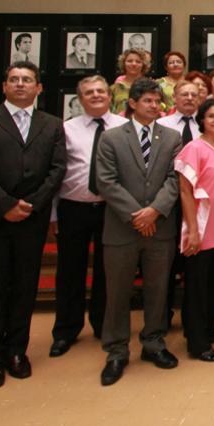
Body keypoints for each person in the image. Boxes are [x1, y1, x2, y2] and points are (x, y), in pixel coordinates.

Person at [0, 61, 67, 388]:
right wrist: (6, 205)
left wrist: (31, 205)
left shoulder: (51, 125)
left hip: (30, 222)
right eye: (14, 79)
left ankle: (17, 351)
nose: (20, 84)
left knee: (24, 289)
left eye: (27, 80)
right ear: (4, 86)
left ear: (39, 88)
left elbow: (57, 169)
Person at [95, 77, 182, 386]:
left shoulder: (172, 138)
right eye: (147, 101)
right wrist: (137, 214)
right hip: (123, 228)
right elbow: (106, 181)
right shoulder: (111, 138)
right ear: (132, 103)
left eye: (157, 101)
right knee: (117, 292)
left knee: (158, 290)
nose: (154, 105)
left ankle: (153, 343)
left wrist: (155, 211)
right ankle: (116, 350)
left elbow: (175, 179)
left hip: (160, 227)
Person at [50, 75, 128, 360]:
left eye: (100, 91)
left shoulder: (123, 127)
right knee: (70, 271)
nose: (95, 95)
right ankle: (65, 331)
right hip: (74, 207)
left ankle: (103, 325)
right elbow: (56, 172)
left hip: (111, 209)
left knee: (109, 271)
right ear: (80, 99)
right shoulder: (66, 129)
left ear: (109, 96)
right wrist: (53, 214)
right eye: (88, 92)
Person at [175, 98, 214, 362]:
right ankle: (197, 343)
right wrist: (193, 232)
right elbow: (185, 192)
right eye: (210, 116)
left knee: (213, 283)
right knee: (197, 286)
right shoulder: (193, 148)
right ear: (201, 120)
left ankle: (207, 331)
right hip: (202, 223)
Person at [157, 81, 203, 322]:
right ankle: (161, 318)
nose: (188, 98)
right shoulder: (161, 126)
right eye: (183, 94)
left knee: (195, 265)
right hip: (169, 204)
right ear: (174, 97)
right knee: (166, 263)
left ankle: (192, 319)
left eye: (193, 95)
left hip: (199, 203)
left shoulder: (207, 126)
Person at [111, 48, 151, 116]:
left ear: (143, 65)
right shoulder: (114, 88)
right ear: (123, 63)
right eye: (129, 61)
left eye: (138, 61)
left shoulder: (150, 87)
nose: (134, 64)